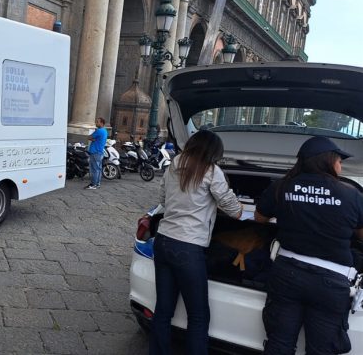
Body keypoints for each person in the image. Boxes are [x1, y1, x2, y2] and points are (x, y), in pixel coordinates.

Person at [255, 136, 363, 354]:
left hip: (286, 274)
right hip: (331, 283)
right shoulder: (351, 195)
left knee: (279, 344)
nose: (340, 166)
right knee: (321, 350)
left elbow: (259, 218)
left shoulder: (282, 186)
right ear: (328, 161)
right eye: (339, 161)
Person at [150, 130, 242, 355]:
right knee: (198, 316)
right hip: (188, 247)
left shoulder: (174, 164)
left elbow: (162, 199)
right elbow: (234, 210)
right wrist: (236, 205)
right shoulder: (212, 171)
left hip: (163, 241)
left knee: (163, 311)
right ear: (213, 152)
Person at [85, 117, 107, 190]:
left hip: (95, 152)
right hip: (100, 152)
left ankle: (93, 184)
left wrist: (93, 138)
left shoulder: (99, 131)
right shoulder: (104, 131)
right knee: (98, 169)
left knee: (94, 169)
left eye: (97, 122)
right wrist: (94, 139)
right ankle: (97, 184)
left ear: (102, 123)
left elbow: (89, 137)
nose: (96, 123)